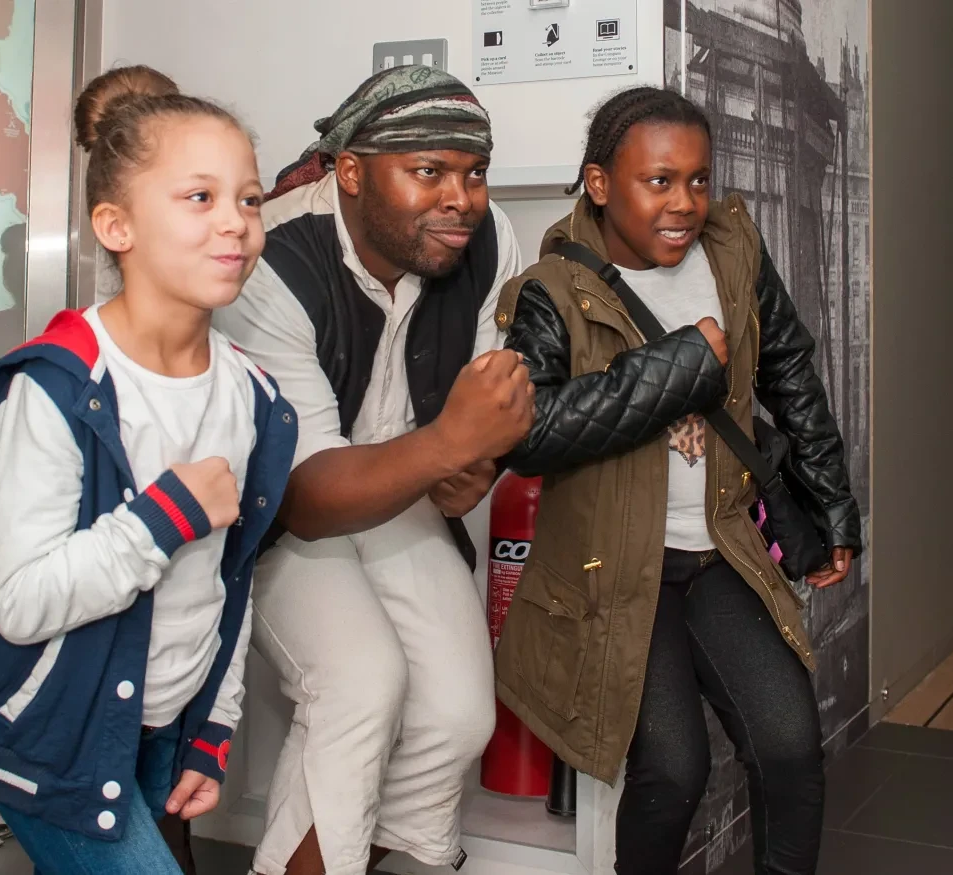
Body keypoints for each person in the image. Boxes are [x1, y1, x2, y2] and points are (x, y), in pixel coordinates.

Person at [492, 87, 862, 875]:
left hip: (721, 550)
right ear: (600, 184)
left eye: (697, 180)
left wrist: (832, 501)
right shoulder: (550, 289)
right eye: (659, 181)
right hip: (618, 569)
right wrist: (682, 365)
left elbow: (791, 371)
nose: (685, 203)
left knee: (791, 747)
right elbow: (529, 433)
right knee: (672, 769)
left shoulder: (733, 252)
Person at [0, 65, 296, 874]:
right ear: (116, 226)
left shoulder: (252, 396)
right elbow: (20, 601)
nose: (237, 223)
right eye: (200, 197)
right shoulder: (57, 387)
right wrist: (162, 518)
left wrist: (213, 725)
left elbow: (229, 582)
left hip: (164, 724)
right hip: (49, 733)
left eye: (248, 199)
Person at [213, 65, 531, 875]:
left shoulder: (490, 240)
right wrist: (450, 445)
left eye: (475, 174)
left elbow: (483, 406)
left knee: (458, 713)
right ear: (351, 172)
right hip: (273, 510)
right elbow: (308, 495)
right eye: (429, 171)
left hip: (403, 487)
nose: (461, 199)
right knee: (360, 682)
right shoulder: (269, 258)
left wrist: (476, 464)